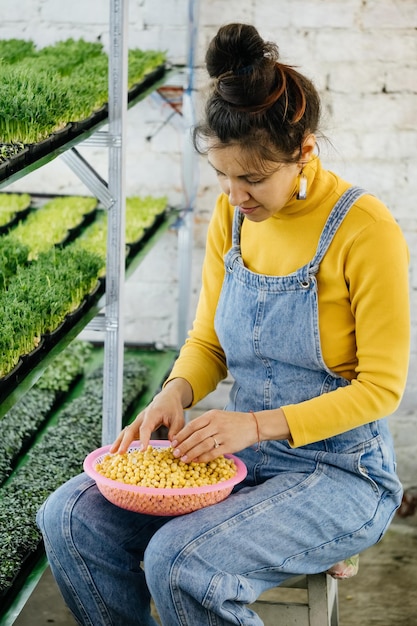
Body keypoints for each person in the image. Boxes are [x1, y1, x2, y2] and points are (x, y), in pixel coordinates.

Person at [37, 22, 410, 626]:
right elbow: (208, 339)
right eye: (223, 176)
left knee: (180, 563)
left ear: (304, 151)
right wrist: (175, 392)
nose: (236, 195)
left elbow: (381, 390)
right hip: (240, 457)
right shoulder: (232, 217)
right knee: (70, 518)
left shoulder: (366, 231)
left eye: (254, 179)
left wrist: (256, 425)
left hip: (342, 473)